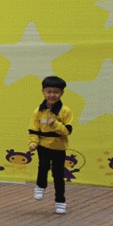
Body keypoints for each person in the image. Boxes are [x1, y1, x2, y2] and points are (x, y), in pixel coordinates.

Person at [28, 76, 73, 214]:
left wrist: (56, 124)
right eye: (49, 91)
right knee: (43, 166)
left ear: (62, 93)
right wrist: (33, 143)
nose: (52, 95)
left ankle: (60, 201)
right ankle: (40, 186)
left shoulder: (65, 111)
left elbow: (67, 131)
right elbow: (33, 130)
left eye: (56, 92)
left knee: (58, 175)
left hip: (59, 147)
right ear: (43, 91)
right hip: (43, 145)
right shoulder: (38, 111)